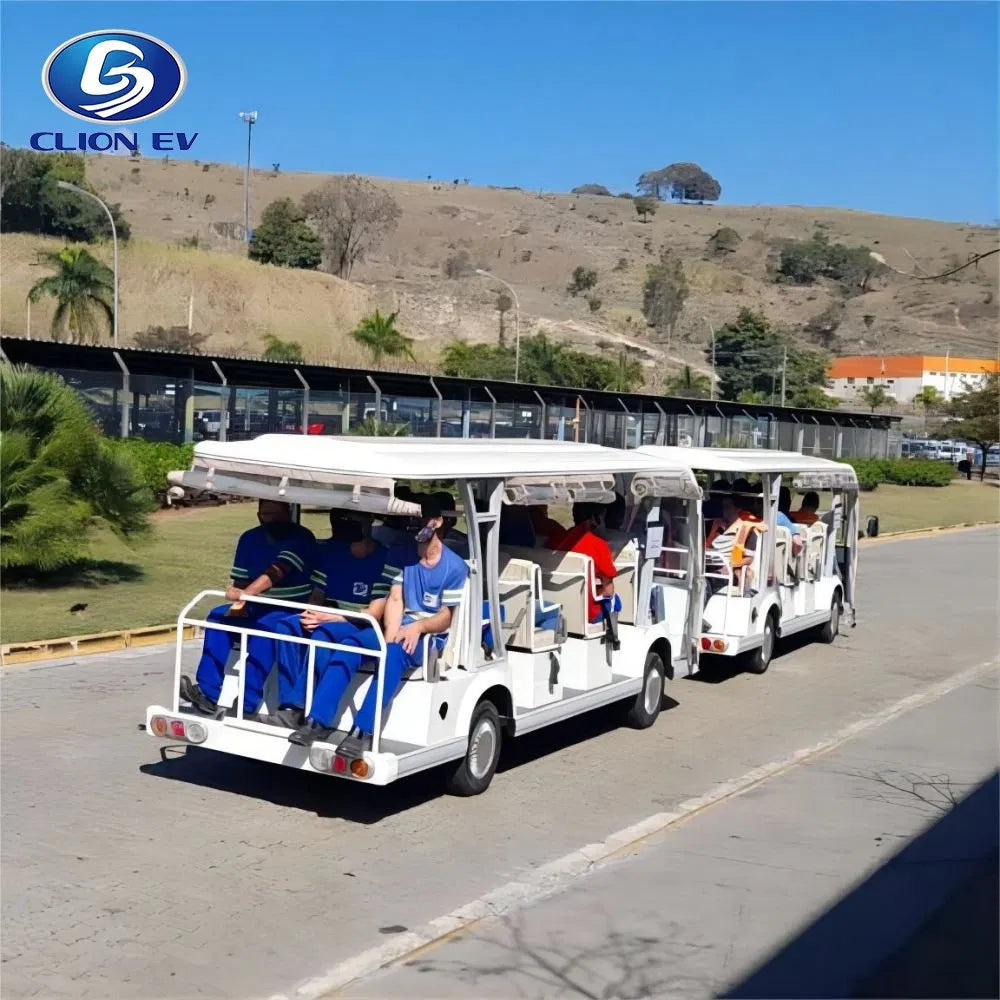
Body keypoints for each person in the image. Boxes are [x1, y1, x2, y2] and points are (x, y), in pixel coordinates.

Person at [288, 498, 469, 755]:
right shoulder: (401, 554)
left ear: (437, 522)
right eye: (413, 520)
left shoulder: (455, 567)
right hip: (398, 626)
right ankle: (318, 721)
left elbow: (445, 617)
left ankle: (363, 731)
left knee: (392, 655)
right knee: (349, 646)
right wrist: (391, 632)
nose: (416, 526)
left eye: (422, 520)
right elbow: (395, 598)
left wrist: (417, 628)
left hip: (428, 637)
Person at [268, 508, 409, 728]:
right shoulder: (334, 554)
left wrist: (329, 617)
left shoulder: (384, 559)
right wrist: (312, 612)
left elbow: (374, 613)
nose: (349, 525)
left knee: (324, 634)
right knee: (287, 626)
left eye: (356, 519)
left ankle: (301, 704)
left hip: (361, 624)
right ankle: (288, 705)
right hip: (332, 615)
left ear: (370, 521)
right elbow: (317, 594)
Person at [179, 500, 316, 719]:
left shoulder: (302, 537)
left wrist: (247, 593)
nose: (269, 518)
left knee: (264, 630)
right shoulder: (249, 538)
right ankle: (208, 693)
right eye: (264, 514)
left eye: (274, 513)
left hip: (288, 606)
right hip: (254, 604)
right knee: (216, 618)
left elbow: (277, 571)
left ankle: (247, 701)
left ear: (287, 512)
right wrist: (238, 602)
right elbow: (240, 580)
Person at [548, 501, 621, 625]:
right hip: (589, 613)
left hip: (559, 605)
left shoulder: (560, 537)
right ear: (595, 518)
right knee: (617, 601)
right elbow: (608, 591)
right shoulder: (599, 544)